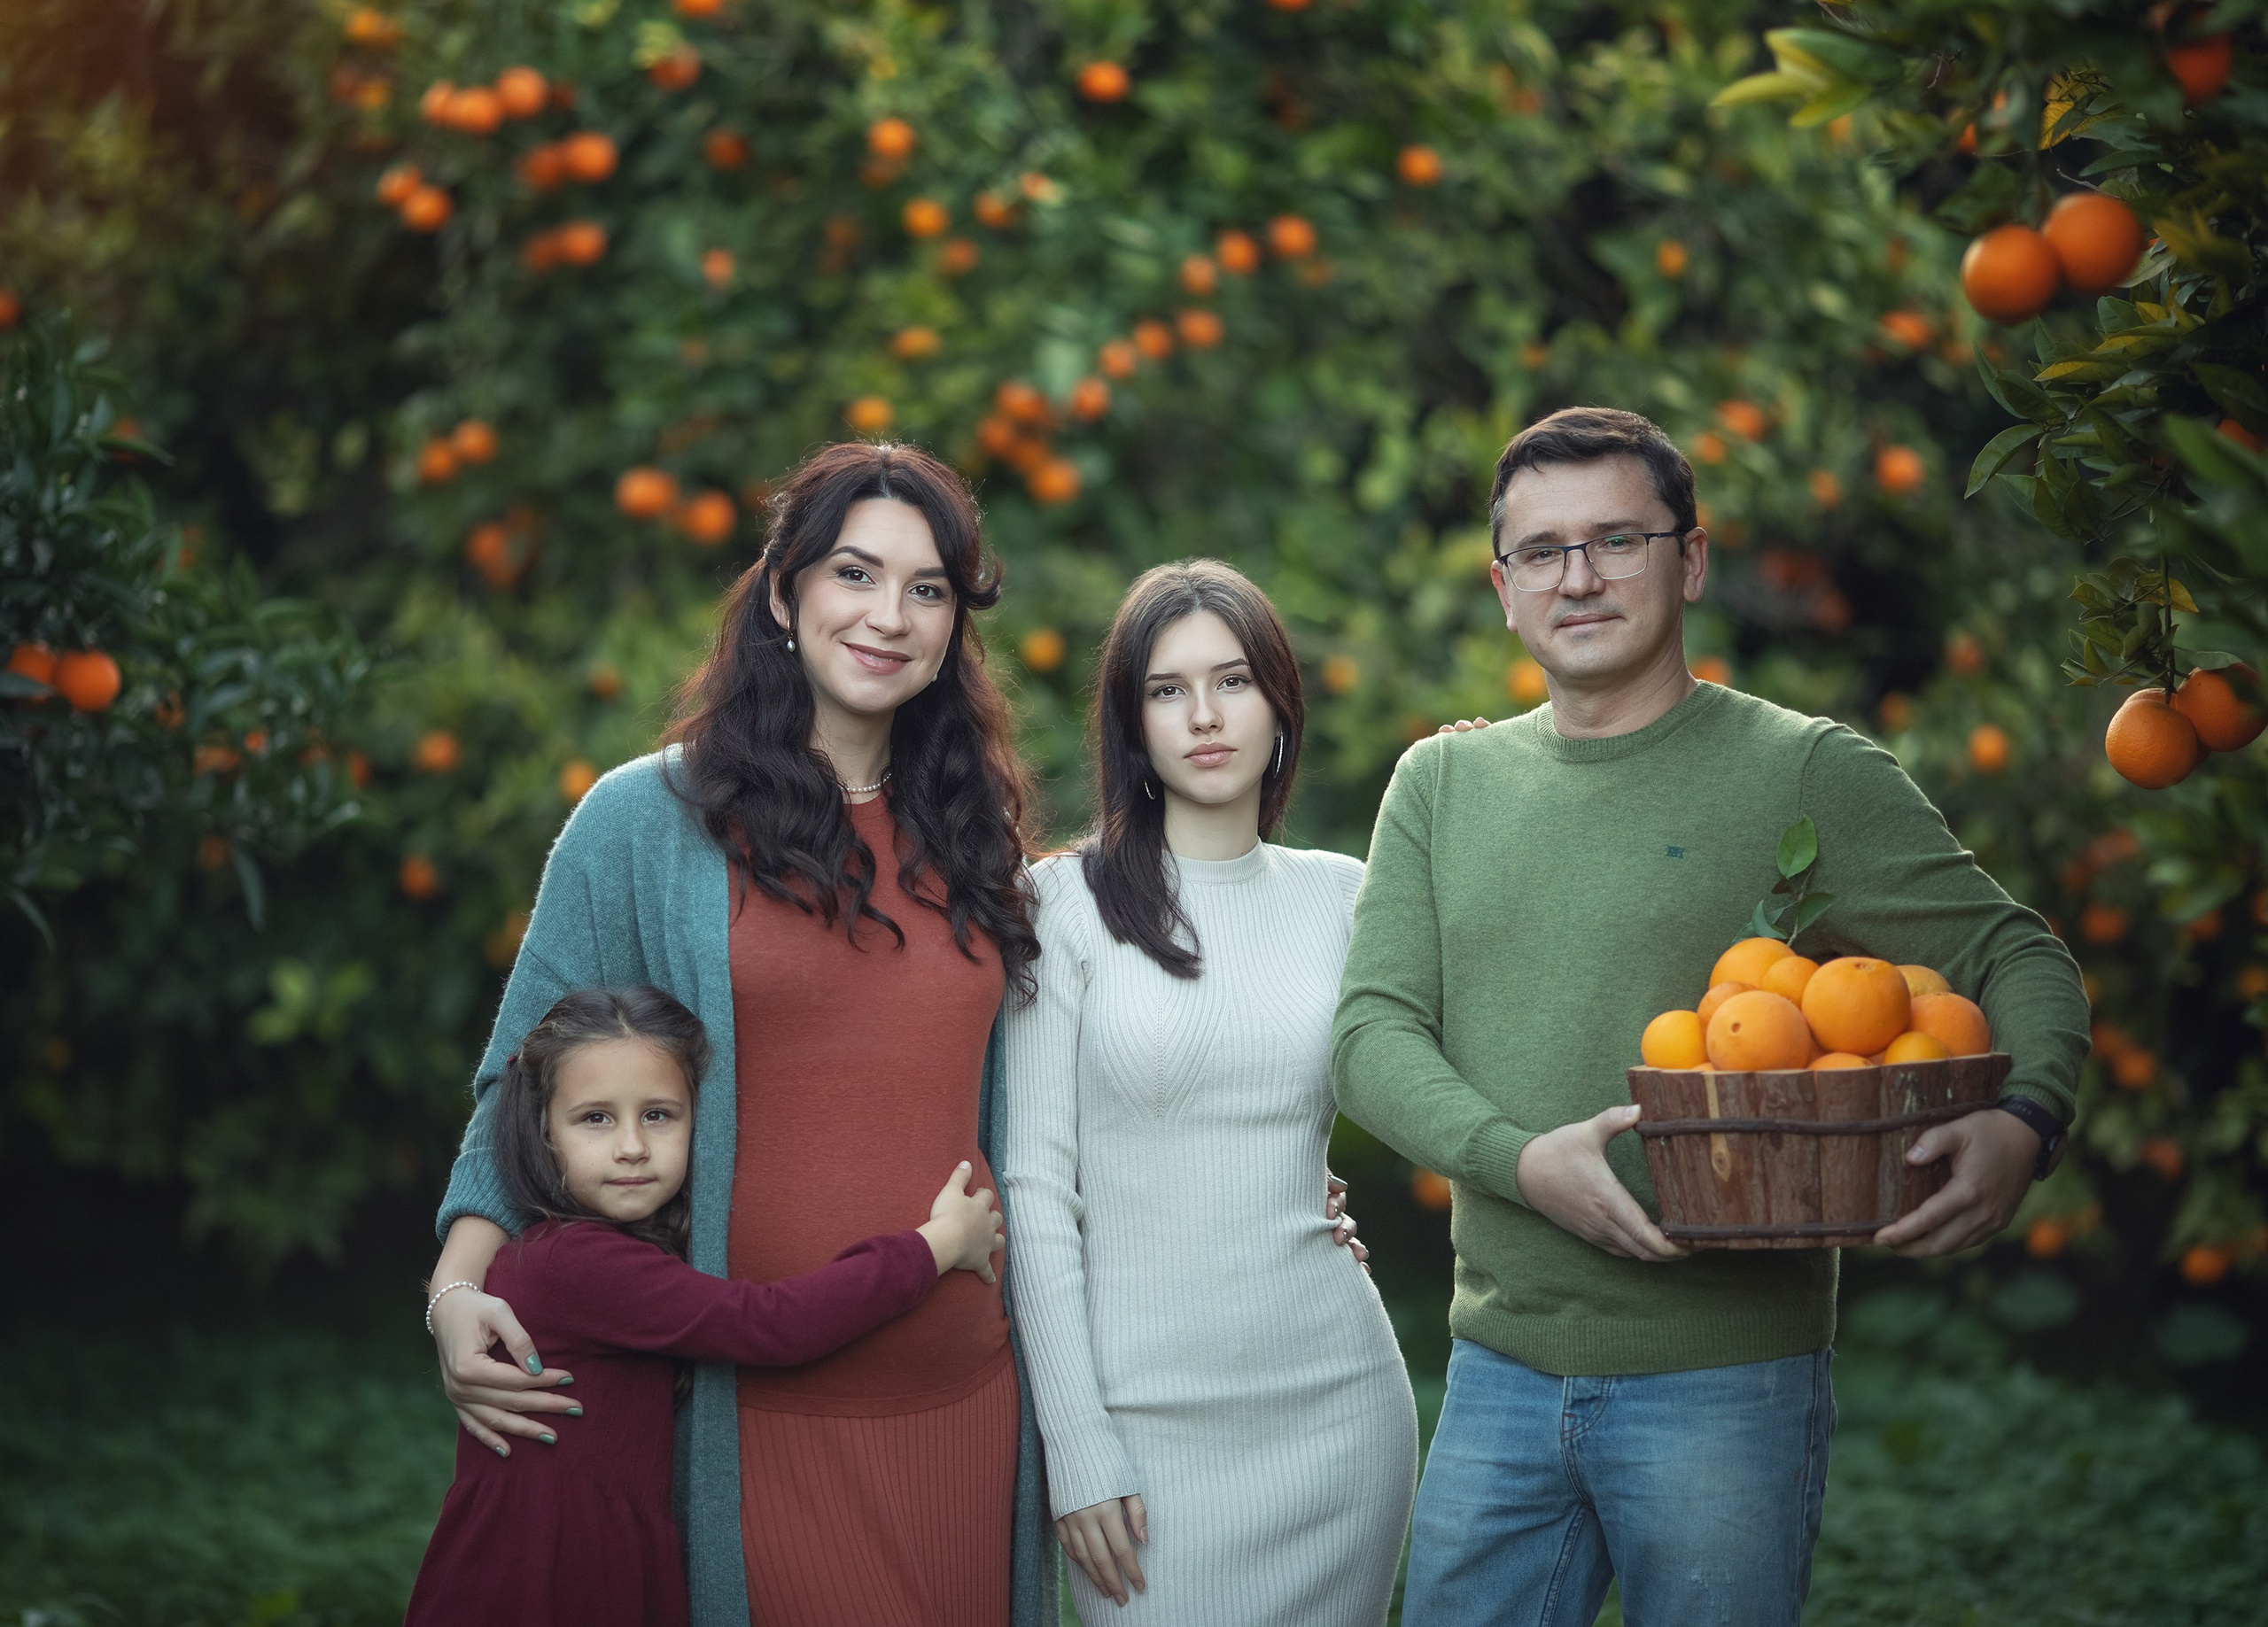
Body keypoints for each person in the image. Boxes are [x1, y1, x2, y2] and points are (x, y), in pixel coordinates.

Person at [1332, 407, 2090, 1627]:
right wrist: (1523, 1164)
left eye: (1617, 539)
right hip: (1497, 1371)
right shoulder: (1440, 783)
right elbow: (1370, 1038)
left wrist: (2027, 1116)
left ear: (1689, 559)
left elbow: (2014, 952)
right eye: (1543, 551)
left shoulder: (1803, 771)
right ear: (1503, 587)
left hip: (1727, 1380)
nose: (1578, 576)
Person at [421, 442, 1056, 1627]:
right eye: (855, 575)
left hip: (967, 1409)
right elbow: (516, 1081)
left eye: (927, 590)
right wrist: (457, 1288)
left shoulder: (981, 846)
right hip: (753, 1420)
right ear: (784, 592)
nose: (889, 616)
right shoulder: (640, 823)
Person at [1005, 560, 1419, 1625]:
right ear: (1129, 724)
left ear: (1279, 703)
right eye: (1164, 688)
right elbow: (1035, 1189)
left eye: (1232, 681)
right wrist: (1076, 1441)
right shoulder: (1065, 902)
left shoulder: (1346, 895)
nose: (1202, 716)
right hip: (1142, 1432)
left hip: (1337, 1411)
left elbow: (1446, 1067)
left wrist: (1466, 788)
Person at [407, 986, 1006, 1626]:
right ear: (545, 1132)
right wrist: (934, 1246)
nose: (632, 1145)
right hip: (541, 1574)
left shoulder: (578, 1252)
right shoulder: (578, 1265)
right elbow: (771, 1323)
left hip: (576, 1551)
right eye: (596, 1118)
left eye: (658, 1114)